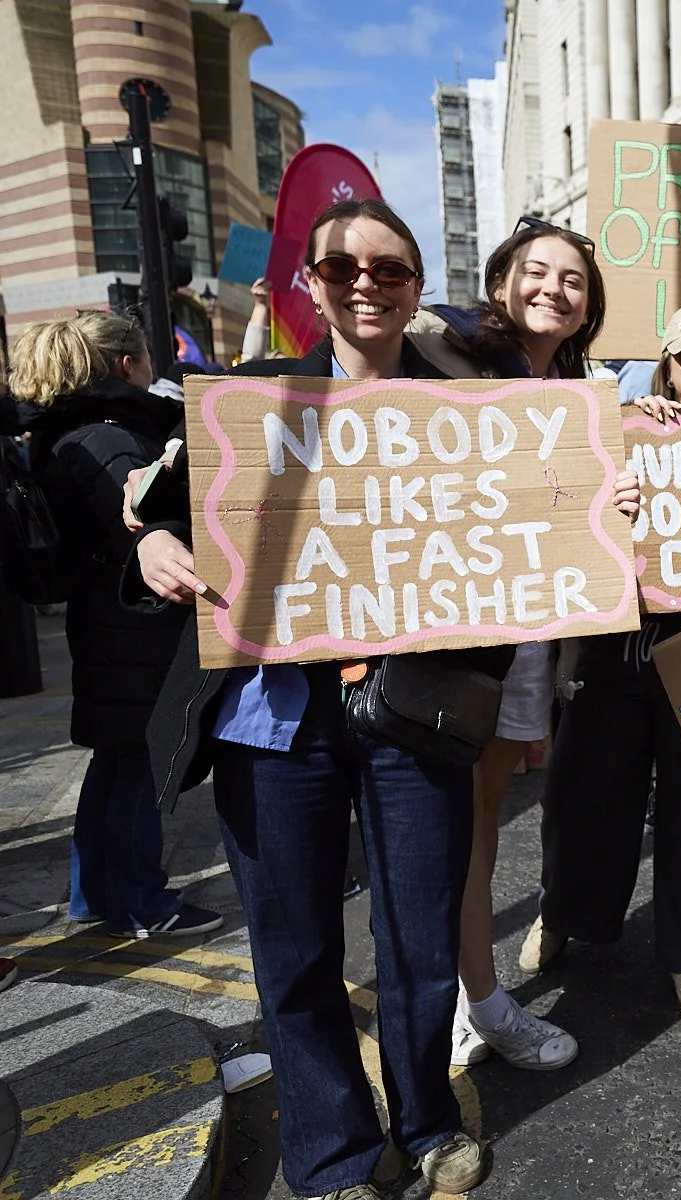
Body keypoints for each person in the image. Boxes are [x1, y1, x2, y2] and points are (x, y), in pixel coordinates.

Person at [127, 198, 496, 1199]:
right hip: (270, 722)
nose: (366, 285)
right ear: (313, 286)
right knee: (294, 950)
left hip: (412, 716)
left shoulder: (472, 407)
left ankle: (425, 1123)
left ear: (416, 286)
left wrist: (606, 509)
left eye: (389, 270)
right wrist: (153, 541)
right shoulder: (245, 395)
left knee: (420, 941)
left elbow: (542, 518)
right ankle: (331, 1153)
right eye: (344, 270)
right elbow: (149, 505)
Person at [408, 214, 618, 1073]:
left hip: (527, 638)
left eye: (572, 281)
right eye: (536, 273)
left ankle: (471, 994)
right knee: (440, 823)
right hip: (445, 638)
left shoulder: (582, 393)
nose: (552, 290)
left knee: (484, 812)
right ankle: (470, 1001)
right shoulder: (437, 354)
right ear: (500, 285)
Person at [527, 304, 681, 1018]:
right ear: (667, 369)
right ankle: (562, 913)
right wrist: (623, 430)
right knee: (583, 795)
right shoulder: (623, 429)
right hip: (619, 651)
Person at [8, 313, 219, 938]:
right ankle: (140, 903)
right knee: (140, 766)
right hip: (134, 624)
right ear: (127, 365)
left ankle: (94, 893)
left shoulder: (65, 434)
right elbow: (145, 527)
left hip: (104, 623)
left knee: (114, 763)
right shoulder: (111, 440)